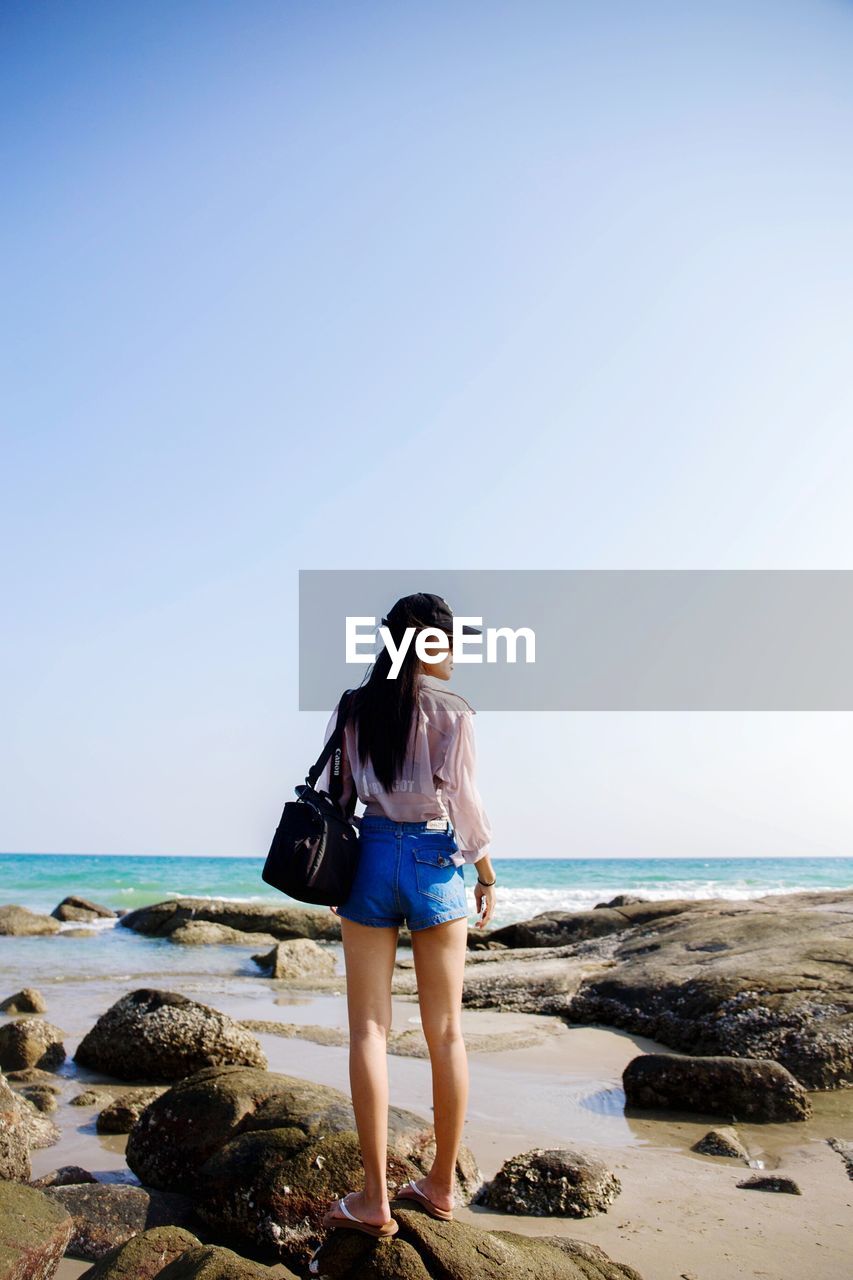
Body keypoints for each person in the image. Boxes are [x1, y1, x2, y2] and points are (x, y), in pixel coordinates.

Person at [317, 592, 496, 1241]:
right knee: (445, 1032)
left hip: (368, 855)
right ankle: (441, 1186)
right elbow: (466, 804)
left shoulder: (354, 706)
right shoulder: (454, 711)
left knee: (367, 1030)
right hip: (434, 858)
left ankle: (373, 1200)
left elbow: (339, 792)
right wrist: (484, 872)